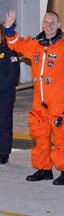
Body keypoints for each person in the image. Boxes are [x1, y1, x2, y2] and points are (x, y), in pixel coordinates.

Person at [4, 9, 64, 185]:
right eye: (46, 22)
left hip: (59, 101)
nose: (49, 26)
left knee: (61, 138)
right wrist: (9, 28)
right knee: (40, 136)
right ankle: (44, 169)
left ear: (59, 25)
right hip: (40, 102)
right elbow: (17, 44)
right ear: (42, 23)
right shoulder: (37, 44)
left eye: (53, 22)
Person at [0, 24, 20, 164]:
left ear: (2, 36)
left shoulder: (10, 52)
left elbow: (13, 76)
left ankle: (3, 153)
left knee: (4, 122)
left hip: (5, 94)